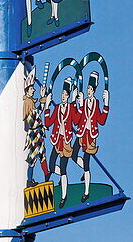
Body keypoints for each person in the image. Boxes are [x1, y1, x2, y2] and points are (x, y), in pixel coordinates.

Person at [71, 72, 109, 203]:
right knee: (73, 154)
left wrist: (106, 104)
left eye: (90, 89)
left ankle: (86, 191)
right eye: (87, 89)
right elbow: (76, 121)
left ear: (94, 90)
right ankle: (84, 170)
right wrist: (79, 105)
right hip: (81, 133)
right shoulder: (84, 102)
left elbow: (101, 120)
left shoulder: (96, 103)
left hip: (90, 136)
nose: (88, 91)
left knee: (87, 163)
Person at [43, 78, 76, 208]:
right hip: (57, 141)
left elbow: (78, 119)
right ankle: (60, 182)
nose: (62, 96)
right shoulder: (57, 108)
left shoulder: (71, 108)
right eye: (62, 94)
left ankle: (63, 196)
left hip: (66, 142)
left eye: (65, 94)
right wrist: (47, 107)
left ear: (68, 96)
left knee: (63, 169)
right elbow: (48, 122)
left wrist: (76, 101)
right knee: (51, 166)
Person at [24, 67, 50, 186]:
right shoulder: (28, 104)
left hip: (38, 133)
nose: (33, 90)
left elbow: (38, 112)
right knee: (34, 158)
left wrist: (43, 99)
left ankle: (46, 175)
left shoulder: (30, 104)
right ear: (27, 90)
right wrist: (43, 101)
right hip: (34, 134)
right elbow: (35, 115)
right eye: (32, 88)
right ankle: (30, 180)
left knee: (42, 155)